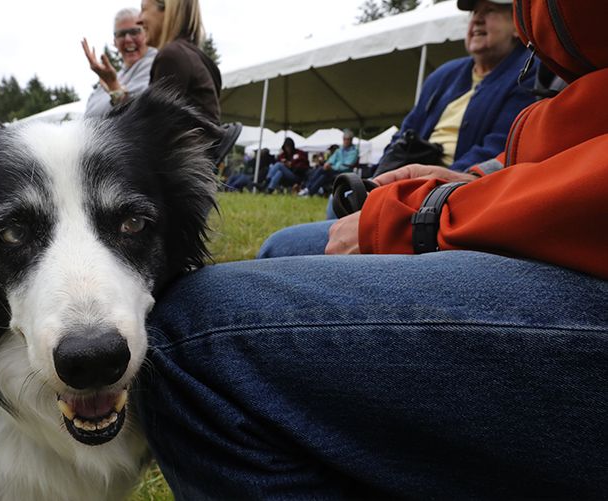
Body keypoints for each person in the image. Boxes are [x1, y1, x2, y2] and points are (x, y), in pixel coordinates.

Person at [138, 0, 608, 497]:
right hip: (510, 199)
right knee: (284, 245)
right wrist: (462, 179)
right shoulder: (456, 76)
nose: (477, 19)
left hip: (563, 239)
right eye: (472, 10)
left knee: (192, 336)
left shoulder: (520, 74)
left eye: (491, 10)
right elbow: (506, 148)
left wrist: (429, 211)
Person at [378, 0, 537, 173]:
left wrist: (438, 186)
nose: (477, 19)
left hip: (458, 188)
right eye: (474, 13)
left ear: (516, 25)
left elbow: (502, 146)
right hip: (409, 181)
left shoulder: (530, 72)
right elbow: (405, 132)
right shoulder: (443, 75)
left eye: (490, 10)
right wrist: (380, 176)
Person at [139, 0, 221, 124]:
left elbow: (155, 126)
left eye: (143, 9)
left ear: (168, 11)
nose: (138, 20)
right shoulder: (192, 56)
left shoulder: (171, 56)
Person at [81, 8, 157, 117]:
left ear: (146, 33)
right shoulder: (116, 76)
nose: (128, 39)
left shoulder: (154, 64)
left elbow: (141, 112)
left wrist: (113, 86)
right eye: (121, 34)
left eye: (134, 32)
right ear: (115, 42)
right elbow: (89, 113)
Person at [298, 129, 357, 197]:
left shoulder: (354, 152)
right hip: (333, 170)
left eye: (347, 139)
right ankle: (309, 191)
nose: (346, 141)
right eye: (344, 139)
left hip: (344, 172)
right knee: (323, 174)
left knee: (321, 170)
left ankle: (307, 190)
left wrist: (332, 167)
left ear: (351, 140)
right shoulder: (339, 150)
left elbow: (347, 165)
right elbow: (332, 159)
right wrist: (327, 164)